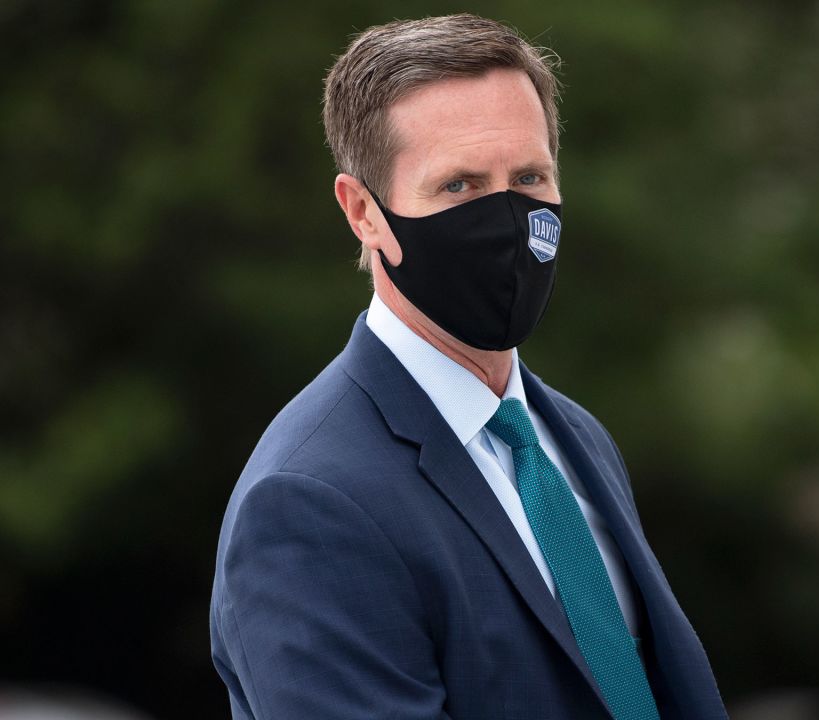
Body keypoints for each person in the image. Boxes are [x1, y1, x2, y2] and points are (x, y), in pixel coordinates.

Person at [208, 13, 727, 720]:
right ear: (363, 212)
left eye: (529, 176)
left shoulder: (573, 437)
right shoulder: (308, 503)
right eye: (459, 186)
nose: (508, 217)